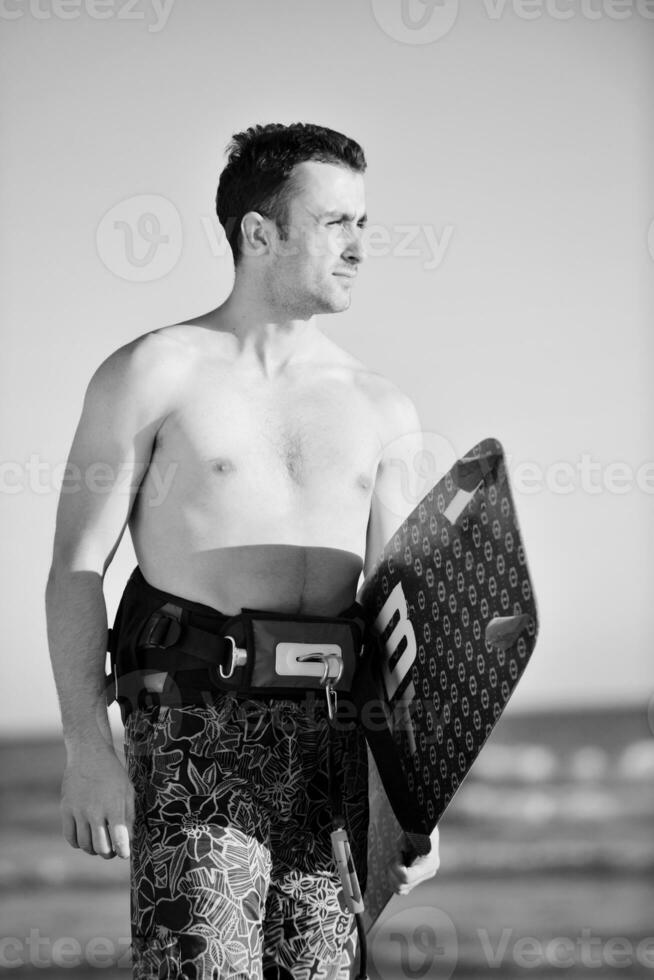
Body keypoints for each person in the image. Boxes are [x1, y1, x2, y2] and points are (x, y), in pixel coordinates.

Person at [46, 122, 440, 980]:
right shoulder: (154, 372)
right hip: (197, 732)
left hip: (331, 750)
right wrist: (88, 749)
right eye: (336, 222)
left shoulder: (383, 408)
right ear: (260, 234)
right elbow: (76, 568)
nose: (360, 247)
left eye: (364, 223)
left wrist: (411, 803)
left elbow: (399, 625)